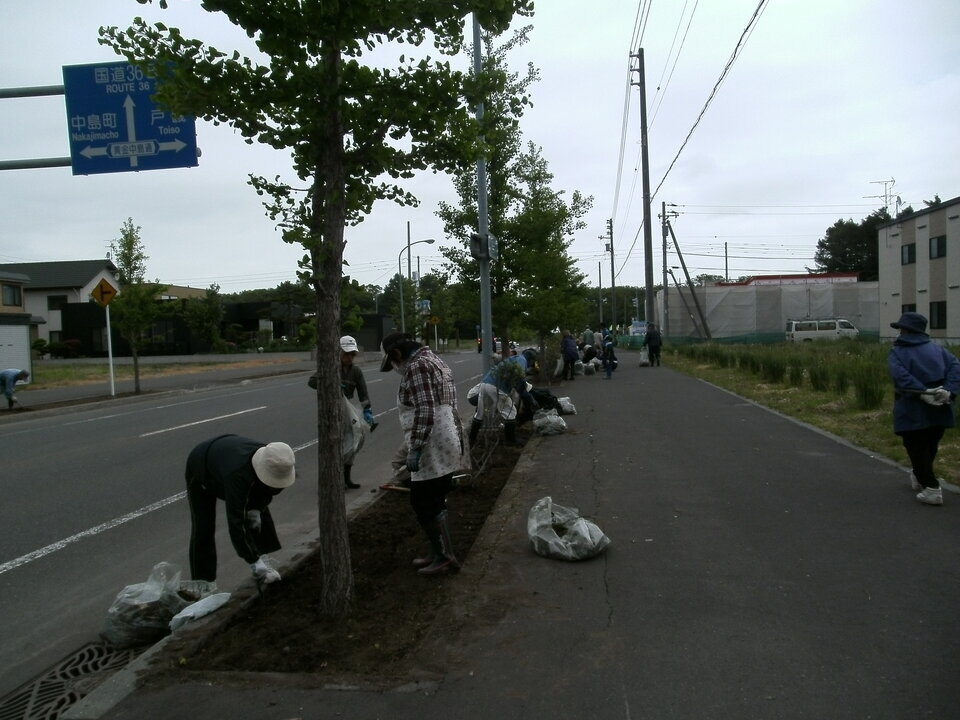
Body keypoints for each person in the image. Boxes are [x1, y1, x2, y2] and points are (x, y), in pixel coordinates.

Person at [380, 331, 465, 575]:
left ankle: (445, 556)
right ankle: (438, 552)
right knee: (433, 501)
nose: (395, 366)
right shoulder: (434, 359)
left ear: (397, 353)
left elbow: (425, 409)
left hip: (432, 444)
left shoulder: (417, 367)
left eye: (393, 361)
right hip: (445, 438)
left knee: (423, 503)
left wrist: (415, 448)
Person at [184, 435, 296, 583]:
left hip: (228, 460)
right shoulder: (237, 475)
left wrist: (257, 509)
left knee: (258, 514)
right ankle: (203, 583)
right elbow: (236, 521)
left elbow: (270, 491)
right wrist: (252, 560)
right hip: (202, 466)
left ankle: (263, 558)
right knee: (203, 526)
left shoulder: (278, 459)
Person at [887, 311, 960, 505]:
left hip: (912, 405)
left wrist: (922, 392)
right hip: (941, 405)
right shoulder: (938, 349)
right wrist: (948, 390)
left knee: (915, 446)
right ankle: (921, 477)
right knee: (930, 445)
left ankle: (931, 487)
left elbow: (901, 376)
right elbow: (955, 367)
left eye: (901, 329)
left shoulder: (898, 352)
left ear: (906, 330)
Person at [308, 335, 378, 490]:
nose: (349, 357)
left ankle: (346, 478)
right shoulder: (330, 367)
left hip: (347, 411)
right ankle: (332, 478)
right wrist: (331, 384)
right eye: (346, 354)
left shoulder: (356, 372)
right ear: (339, 353)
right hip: (331, 410)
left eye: (352, 354)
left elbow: (363, 393)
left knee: (353, 440)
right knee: (334, 443)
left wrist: (368, 411)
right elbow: (312, 382)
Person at [469, 350, 537, 443]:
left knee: (480, 414)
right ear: (531, 360)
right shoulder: (522, 360)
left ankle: (471, 441)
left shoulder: (514, 358)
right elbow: (518, 378)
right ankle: (511, 443)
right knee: (511, 412)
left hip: (485, 384)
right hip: (497, 386)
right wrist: (529, 398)